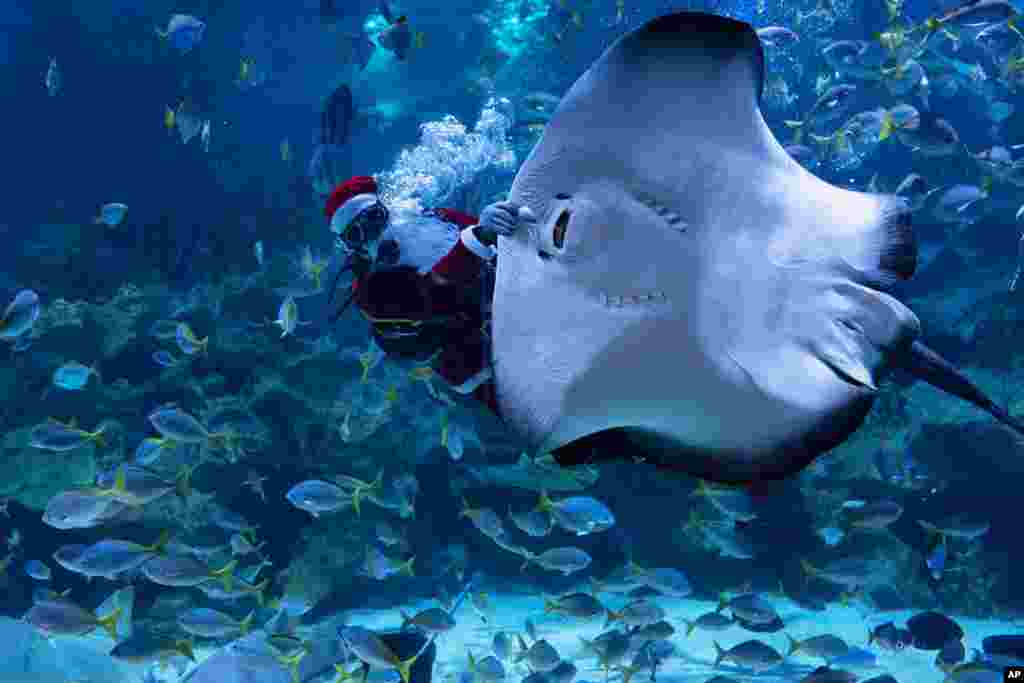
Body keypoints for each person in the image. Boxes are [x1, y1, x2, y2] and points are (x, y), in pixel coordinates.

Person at [325, 175, 531, 414]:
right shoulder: (369, 293)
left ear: (385, 209)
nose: (373, 234)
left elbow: (491, 237)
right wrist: (481, 234)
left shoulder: (433, 219)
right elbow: (434, 295)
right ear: (349, 246)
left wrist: (506, 222)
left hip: (512, 311)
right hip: (480, 367)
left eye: (373, 218)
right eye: (356, 234)